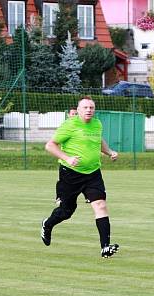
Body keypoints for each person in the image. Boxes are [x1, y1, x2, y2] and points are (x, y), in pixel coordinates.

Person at [41, 96, 119, 258]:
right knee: (67, 211)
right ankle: (47, 224)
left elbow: (99, 141)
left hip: (93, 173)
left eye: (91, 107)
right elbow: (50, 145)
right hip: (71, 174)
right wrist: (67, 158)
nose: (89, 110)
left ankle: (105, 247)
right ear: (78, 110)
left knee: (100, 205)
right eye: (85, 107)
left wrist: (109, 151)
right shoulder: (70, 125)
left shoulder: (97, 124)